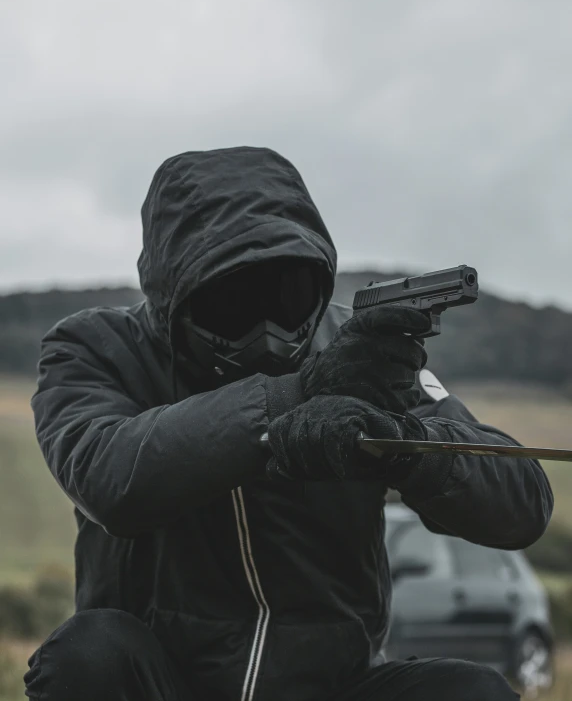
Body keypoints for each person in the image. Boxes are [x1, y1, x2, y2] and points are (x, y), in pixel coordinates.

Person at [25, 146, 552, 701]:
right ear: (173, 296)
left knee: (470, 692)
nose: (268, 337)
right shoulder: (93, 349)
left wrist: (406, 445)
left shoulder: (361, 357)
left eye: (289, 301)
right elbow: (109, 478)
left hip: (333, 686)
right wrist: (292, 399)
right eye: (232, 306)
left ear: (320, 282)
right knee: (89, 657)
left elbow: (524, 506)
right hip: (163, 687)